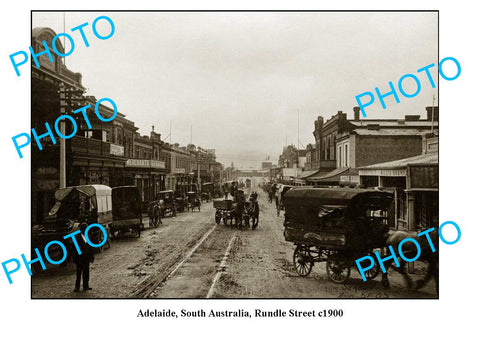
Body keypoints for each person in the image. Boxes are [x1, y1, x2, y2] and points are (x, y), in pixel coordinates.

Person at [73, 223, 95, 292]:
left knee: (86, 272)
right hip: (80, 258)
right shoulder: (77, 238)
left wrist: (91, 257)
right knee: (79, 273)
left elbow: (91, 248)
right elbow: (75, 250)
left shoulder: (88, 237)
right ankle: (77, 287)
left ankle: (86, 286)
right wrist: (76, 259)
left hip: (86, 258)